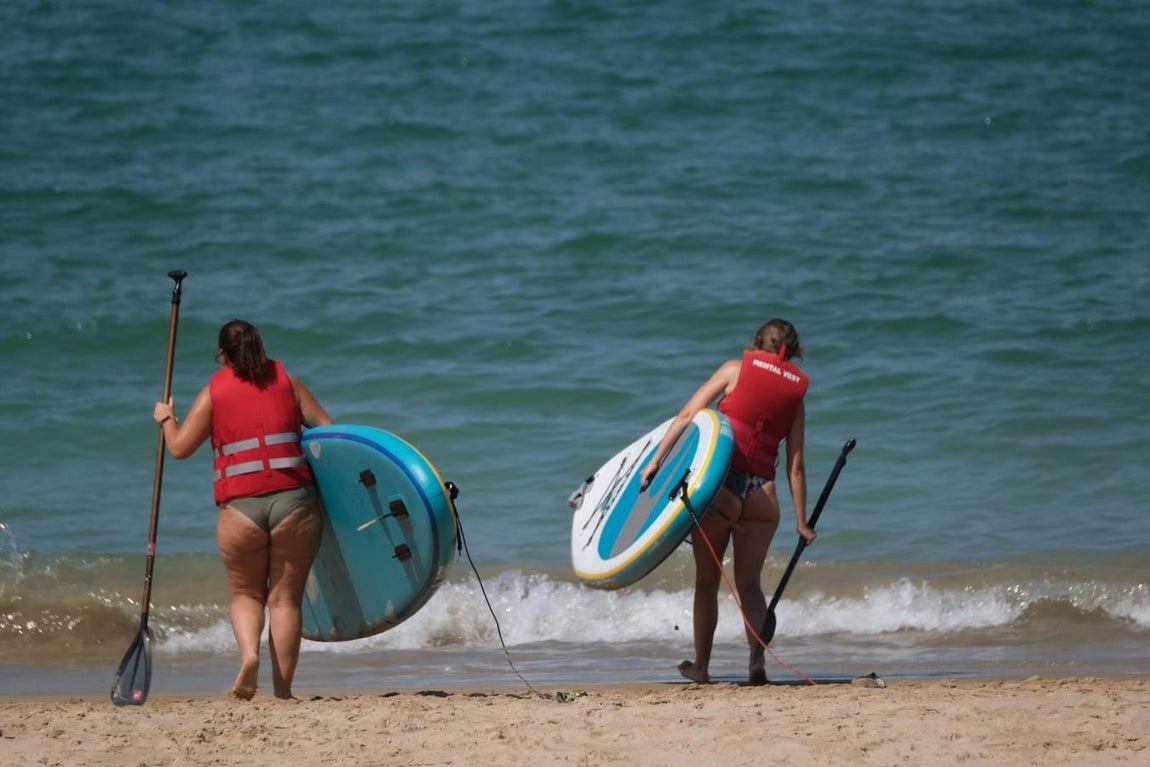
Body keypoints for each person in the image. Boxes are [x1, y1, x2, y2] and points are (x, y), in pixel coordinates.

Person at [153, 319, 333, 700]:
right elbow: (330, 433)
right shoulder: (289, 383)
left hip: (240, 512)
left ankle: (249, 655)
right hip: (295, 506)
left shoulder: (213, 394)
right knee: (285, 599)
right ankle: (283, 692)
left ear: (223, 356)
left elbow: (180, 449)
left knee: (246, 594)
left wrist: (168, 420)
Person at [639, 318, 815, 686]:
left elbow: (689, 415)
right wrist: (802, 522)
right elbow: (795, 466)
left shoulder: (734, 369)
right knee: (750, 583)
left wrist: (655, 461)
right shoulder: (795, 398)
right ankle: (756, 663)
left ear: (757, 343)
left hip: (721, 491)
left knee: (707, 582)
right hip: (763, 496)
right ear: (793, 350)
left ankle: (702, 666)